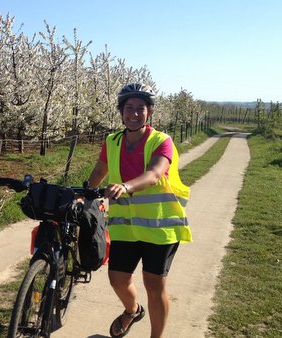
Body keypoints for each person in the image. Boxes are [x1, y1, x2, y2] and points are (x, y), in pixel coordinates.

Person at [86, 83, 192, 338]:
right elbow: (101, 170)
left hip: (160, 226)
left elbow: (155, 174)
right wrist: (85, 194)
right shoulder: (111, 141)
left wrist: (125, 186)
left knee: (154, 285)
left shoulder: (161, 141)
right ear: (121, 111)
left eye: (140, 109)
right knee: (117, 279)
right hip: (125, 227)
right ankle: (132, 310)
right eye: (129, 108)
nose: (134, 114)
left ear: (150, 113)